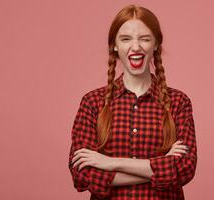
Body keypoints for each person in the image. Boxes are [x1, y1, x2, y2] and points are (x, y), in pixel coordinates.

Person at [68, 4, 197, 200]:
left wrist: (111, 163)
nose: (135, 47)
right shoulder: (92, 102)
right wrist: (161, 166)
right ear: (115, 46)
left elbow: (184, 170)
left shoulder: (178, 102)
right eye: (126, 39)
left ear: (155, 44)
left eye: (144, 39)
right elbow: (83, 175)